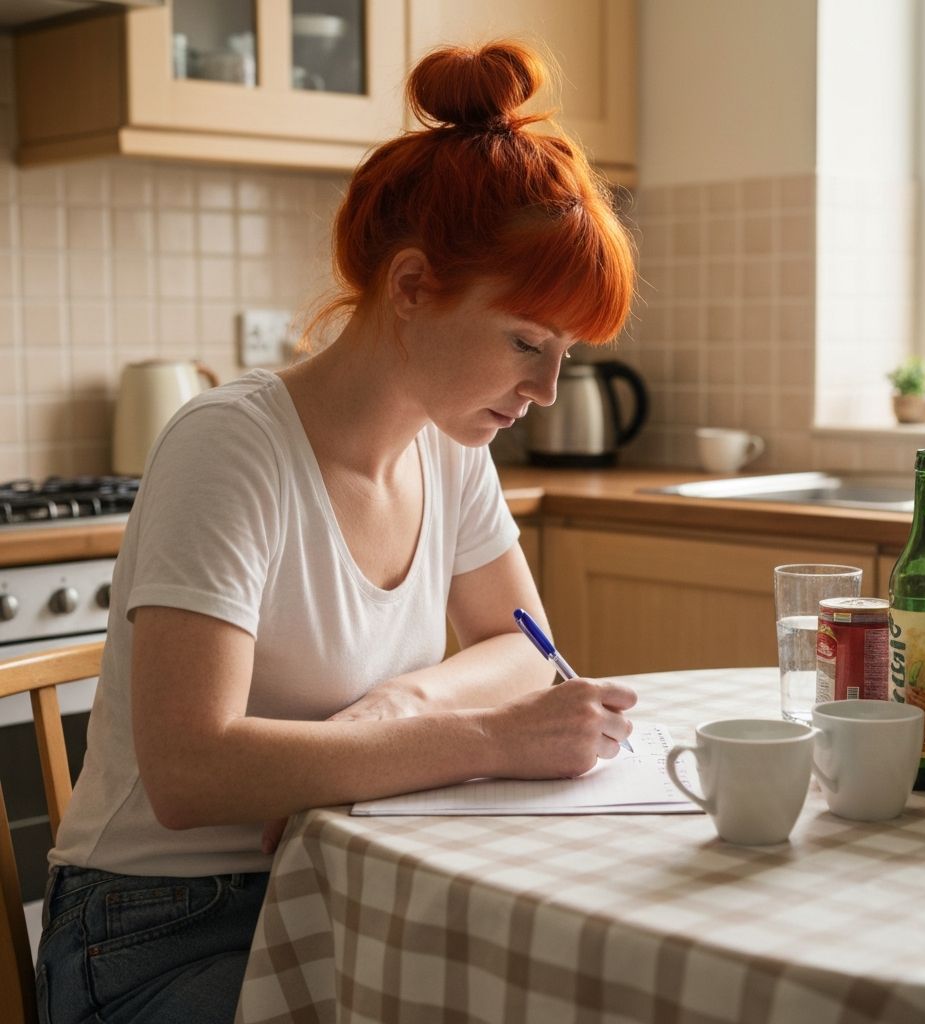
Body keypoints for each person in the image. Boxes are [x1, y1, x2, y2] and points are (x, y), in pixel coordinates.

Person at [35, 40, 637, 1023]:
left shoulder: (450, 445)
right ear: (411, 286)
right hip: (161, 925)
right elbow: (189, 771)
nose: (544, 389)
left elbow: (525, 647)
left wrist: (398, 705)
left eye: (563, 353)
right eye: (526, 342)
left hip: (339, 880)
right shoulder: (231, 446)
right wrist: (482, 738)